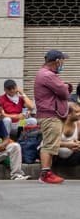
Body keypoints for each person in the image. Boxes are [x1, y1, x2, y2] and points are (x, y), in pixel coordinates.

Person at [34, 49, 72, 184]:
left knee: (50, 144)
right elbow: (64, 92)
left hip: (50, 114)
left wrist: (64, 86)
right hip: (50, 115)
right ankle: (45, 174)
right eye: (62, 60)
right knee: (49, 145)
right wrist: (66, 86)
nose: (63, 63)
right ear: (57, 61)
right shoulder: (48, 75)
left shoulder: (46, 74)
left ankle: (47, 172)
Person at [54, 103, 80, 167]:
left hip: (72, 159)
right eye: (77, 112)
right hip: (54, 159)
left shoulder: (79, 124)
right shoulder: (56, 124)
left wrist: (78, 144)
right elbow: (48, 143)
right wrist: (67, 144)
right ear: (68, 114)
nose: (79, 114)